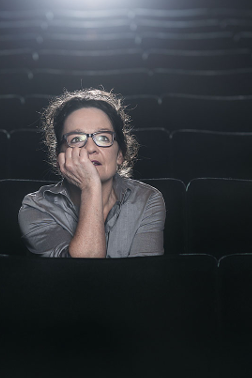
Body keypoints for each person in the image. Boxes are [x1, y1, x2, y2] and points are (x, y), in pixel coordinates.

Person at [18, 88, 165, 258]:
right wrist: (90, 187)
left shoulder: (147, 200)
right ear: (60, 156)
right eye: (76, 139)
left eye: (103, 137)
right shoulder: (36, 207)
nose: (90, 148)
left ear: (120, 154)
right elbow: (84, 270)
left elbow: (144, 273)